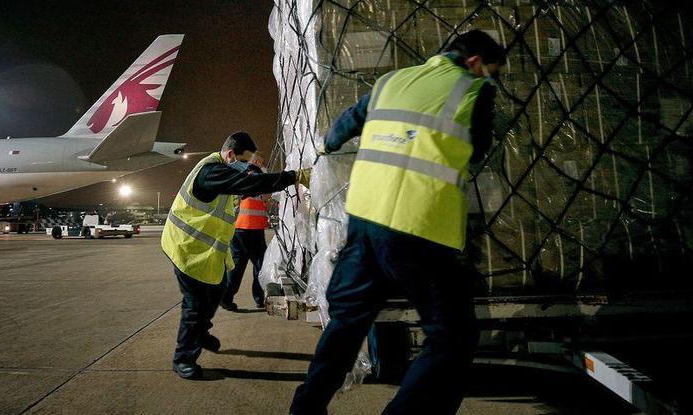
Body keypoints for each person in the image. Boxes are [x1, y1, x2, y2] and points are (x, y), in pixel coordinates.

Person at [290, 30, 506, 414]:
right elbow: (477, 151)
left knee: (347, 323)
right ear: (475, 63)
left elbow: (344, 126)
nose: (494, 80)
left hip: (365, 221)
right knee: (452, 336)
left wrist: (326, 146)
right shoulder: (475, 90)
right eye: (493, 71)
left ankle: (305, 409)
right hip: (420, 227)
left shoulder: (392, 81)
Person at [162, 131, 310, 380]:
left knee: (218, 291)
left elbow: (248, 184)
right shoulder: (212, 172)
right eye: (245, 161)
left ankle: (199, 333)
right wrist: (294, 177)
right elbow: (249, 184)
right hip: (187, 248)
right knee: (195, 306)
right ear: (231, 155)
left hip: (206, 251)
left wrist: (258, 174)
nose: (247, 166)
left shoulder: (223, 171)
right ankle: (183, 358)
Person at [221, 153, 271, 311]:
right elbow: (268, 192)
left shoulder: (239, 176)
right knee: (260, 266)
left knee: (236, 267)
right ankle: (259, 298)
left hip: (238, 229)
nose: (264, 166)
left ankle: (226, 299)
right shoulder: (255, 176)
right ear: (255, 162)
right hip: (252, 229)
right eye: (262, 163)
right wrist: (263, 170)